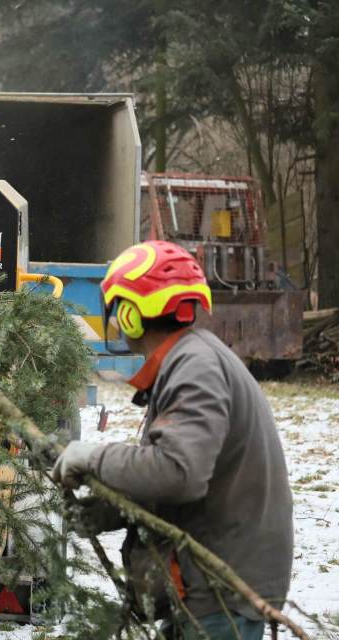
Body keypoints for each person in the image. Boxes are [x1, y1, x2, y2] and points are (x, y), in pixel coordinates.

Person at [51, 240, 293, 640]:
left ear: (129, 315)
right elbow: (191, 477)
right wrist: (114, 510)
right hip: (213, 583)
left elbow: (180, 472)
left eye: (116, 308)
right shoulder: (194, 358)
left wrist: (94, 457)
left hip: (219, 592)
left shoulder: (194, 366)